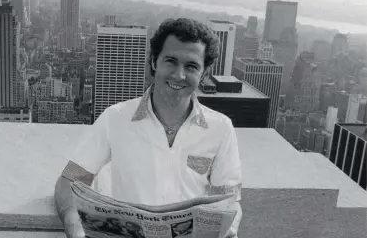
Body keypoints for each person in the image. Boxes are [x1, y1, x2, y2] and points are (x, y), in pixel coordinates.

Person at [55, 18, 243, 238]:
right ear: (154, 61)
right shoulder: (115, 118)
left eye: (191, 66)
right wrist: (74, 227)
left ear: (204, 72)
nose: (179, 75)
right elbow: (70, 179)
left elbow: (229, 201)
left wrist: (229, 231)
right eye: (171, 61)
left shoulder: (221, 128)